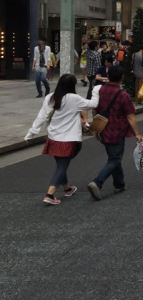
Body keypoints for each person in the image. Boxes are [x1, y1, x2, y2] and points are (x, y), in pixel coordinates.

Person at [25, 74, 100, 206]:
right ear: (72, 85)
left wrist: (31, 133)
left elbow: (41, 116)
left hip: (54, 138)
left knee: (61, 165)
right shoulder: (74, 98)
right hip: (71, 139)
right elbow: (94, 104)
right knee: (62, 166)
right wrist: (96, 89)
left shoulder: (51, 97)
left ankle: (67, 188)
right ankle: (49, 194)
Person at [86, 65, 143, 201]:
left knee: (113, 157)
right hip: (117, 130)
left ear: (108, 76)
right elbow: (130, 116)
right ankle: (97, 182)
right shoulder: (123, 94)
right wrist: (138, 134)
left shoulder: (100, 91)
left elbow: (95, 109)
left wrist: (96, 127)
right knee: (115, 159)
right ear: (122, 77)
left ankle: (119, 184)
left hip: (103, 129)